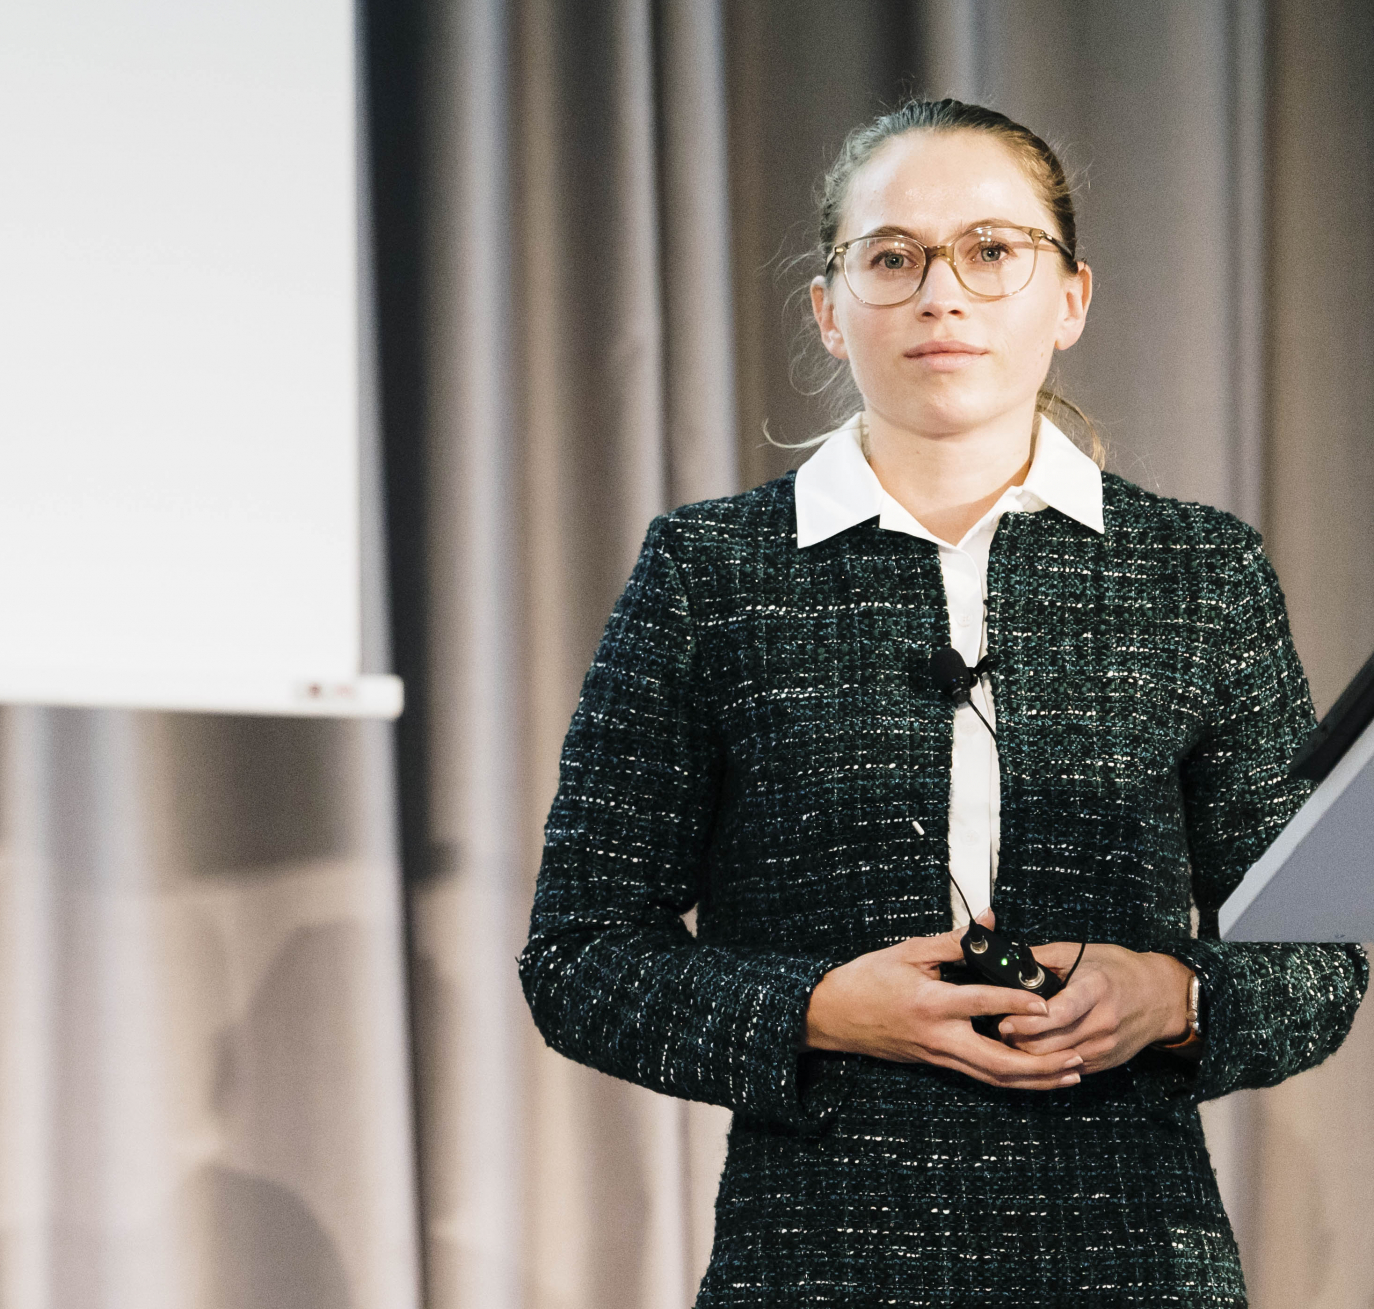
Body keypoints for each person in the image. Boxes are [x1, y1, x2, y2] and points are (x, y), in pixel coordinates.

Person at [519, 97, 1365, 1302]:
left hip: (1131, 1253)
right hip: (816, 1255)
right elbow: (580, 958)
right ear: (828, 307)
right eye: (891, 258)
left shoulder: (1199, 572)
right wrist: (817, 1007)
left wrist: (1169, 993)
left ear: (1069, 298)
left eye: (990, 249)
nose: (941, 294)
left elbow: (1316, 951)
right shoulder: (710, 573)